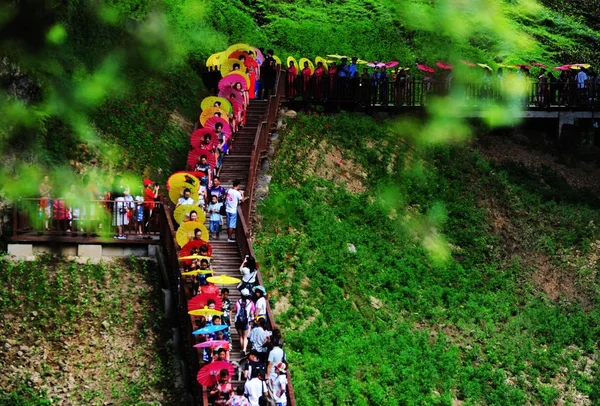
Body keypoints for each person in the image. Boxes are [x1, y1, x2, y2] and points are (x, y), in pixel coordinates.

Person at [235, 288, 255, 354]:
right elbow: (252, 313)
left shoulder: (238, 302)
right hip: (246, 321)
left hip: (238, 321)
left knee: (240, 336)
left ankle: (242, 348)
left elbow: (236, 311)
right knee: (245, 336)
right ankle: (244, 349)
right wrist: (252, 320)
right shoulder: (250, 303)